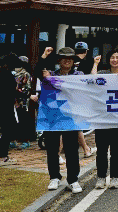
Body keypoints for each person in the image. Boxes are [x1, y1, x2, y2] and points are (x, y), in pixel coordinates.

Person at [35, 47, 84, 193]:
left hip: (70, 116)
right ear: (59, 60)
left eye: (70, 58)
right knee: (52, 148)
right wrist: (44, 56)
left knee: (71, 148)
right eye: (64, 58)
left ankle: (73, 179)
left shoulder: (78, 75)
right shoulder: (50, 74)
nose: (67, 60)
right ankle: (54, 177)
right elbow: (36, 71)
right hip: (52, 115)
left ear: (73, 61)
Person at [91, 48, 118, 190]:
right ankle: (101, 177)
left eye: (117, 57)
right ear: (108, 60)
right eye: (112, 57)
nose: (115, 60)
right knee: (101, 149)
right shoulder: (103, 73)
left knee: (116, 149)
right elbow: (92, 79)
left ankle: (114, 177)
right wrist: (95, 63)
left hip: (117, 118)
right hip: (101, 117)